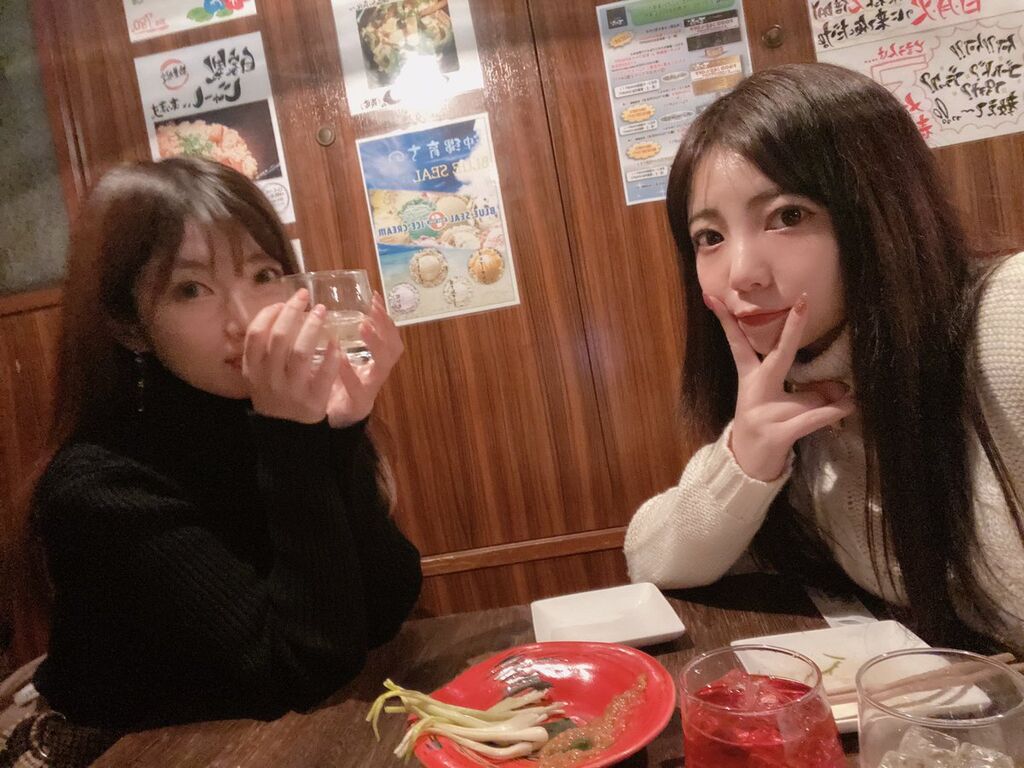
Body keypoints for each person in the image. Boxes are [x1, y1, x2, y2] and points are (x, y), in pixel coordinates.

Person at [0, 157, 422, 765]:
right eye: (191, 289)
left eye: (263, 274)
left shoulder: (265, 419)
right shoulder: (97, 485)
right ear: (129, 327)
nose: (245, 319)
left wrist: (340, 431)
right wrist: (294, 439)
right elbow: (300, 666)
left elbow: (385, 605)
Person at [624, 63, 1024, 653]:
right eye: (710, 236)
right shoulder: (794, 390)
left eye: (788, 216)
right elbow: (652, 558)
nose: (741, 273)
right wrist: (745, 459)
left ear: (879, 209)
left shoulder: (1006, 318)